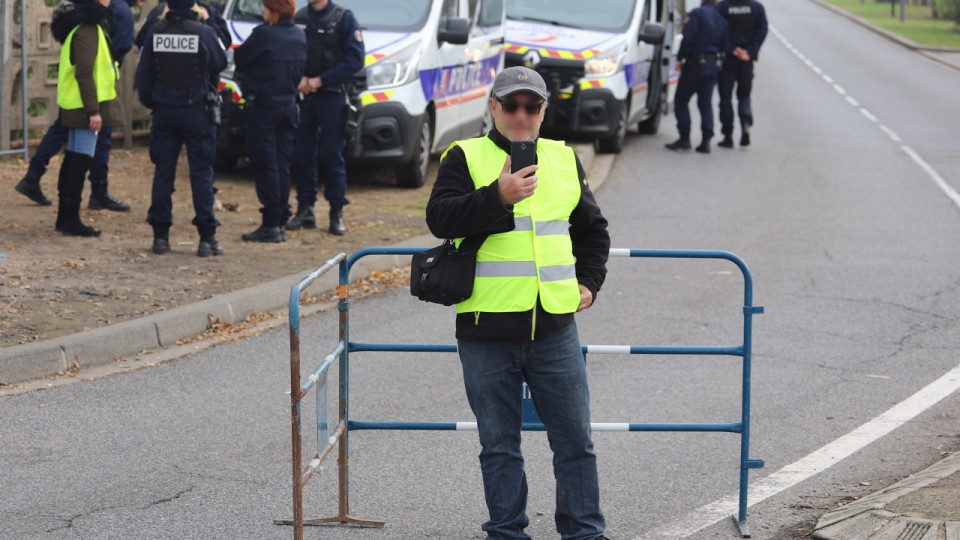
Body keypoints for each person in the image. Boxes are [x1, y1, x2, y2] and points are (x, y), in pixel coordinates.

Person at [425, 66, 611, 540]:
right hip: (486, 331)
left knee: (575, 443)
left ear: (544, 111)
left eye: (532, 106)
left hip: (554, 329)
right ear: (494, 108)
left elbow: (592, 230)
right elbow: (440, 219)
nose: (522, 115)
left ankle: (584, 532)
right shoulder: (463, 156)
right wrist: (497, 197)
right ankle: (506, 532)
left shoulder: (563, 157)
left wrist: (589, 282)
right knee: (499, 446)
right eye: (512, 106)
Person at [14, 0, 136, 212]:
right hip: (92, 97)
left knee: (67, 144)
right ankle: (92, 195)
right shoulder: (98, 21)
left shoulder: (76, 19)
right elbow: (97, 63)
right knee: (81, 156)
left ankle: (35, 177)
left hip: (76, 97)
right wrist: (93, 110)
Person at [135, 0, 227, 257]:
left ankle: (160, 237)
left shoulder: (156, 32)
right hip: (197, 110)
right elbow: (220, 61)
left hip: (165, 110)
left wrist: (155, 102)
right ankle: (207, 239)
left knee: (163, 173)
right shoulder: (203, 31)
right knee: (201, 173)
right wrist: (208, 21)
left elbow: (143, 78)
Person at [286, 0, 364, 236]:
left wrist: (320, 80)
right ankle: (305, 209)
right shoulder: (299, 17)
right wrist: (298, 79)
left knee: (332, 155)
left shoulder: (343, 18)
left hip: (332, 97)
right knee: (303, 155)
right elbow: (290, 53)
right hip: (305, 97)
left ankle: (336, 211)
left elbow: (355, 59)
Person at [48, 0, 122, 236]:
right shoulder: (88, 28)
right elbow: (85, 72)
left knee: (72, 160)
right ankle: (70, 220)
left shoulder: (79, 26)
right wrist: (93, 111)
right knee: (79, 162)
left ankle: (65, 218)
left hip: (77, 105)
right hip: (85, 108)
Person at [234, 0, 307, 242]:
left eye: (265, 7)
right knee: (283, 165)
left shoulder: (264, 35)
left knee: (266, 165)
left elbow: (241, 58)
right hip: (289, 107)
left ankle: (271, 223)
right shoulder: (299, 35)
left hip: (265, 109)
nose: (263, 11)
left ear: (273, 11)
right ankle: (281, 218)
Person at [666, 0, 728, 154]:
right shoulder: (721, 18)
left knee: (681, 100)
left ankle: (684, 138)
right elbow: (725, 45)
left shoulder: (697, 14)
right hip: (712, 66)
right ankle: (706, 141)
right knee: (705, 103)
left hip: (695, 65)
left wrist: (680, 58)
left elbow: (688, 37)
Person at [716, 0, 768, 148]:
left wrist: (732, 49)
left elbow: (720, 30)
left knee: (725, 98)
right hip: (746, 60)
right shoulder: (756, 7)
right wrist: (749, 52)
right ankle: (745, 124)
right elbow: (762, 30)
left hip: (728, 60)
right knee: (744, 96)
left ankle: (728, 135)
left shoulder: (724, 6)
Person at [134, 0, 231, 51]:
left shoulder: (208, 11)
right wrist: (160, 20)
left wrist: (208, 20)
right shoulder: (159, 11)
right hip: (166, 84)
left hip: (194, 85)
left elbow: (223, 45)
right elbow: (142, 43)